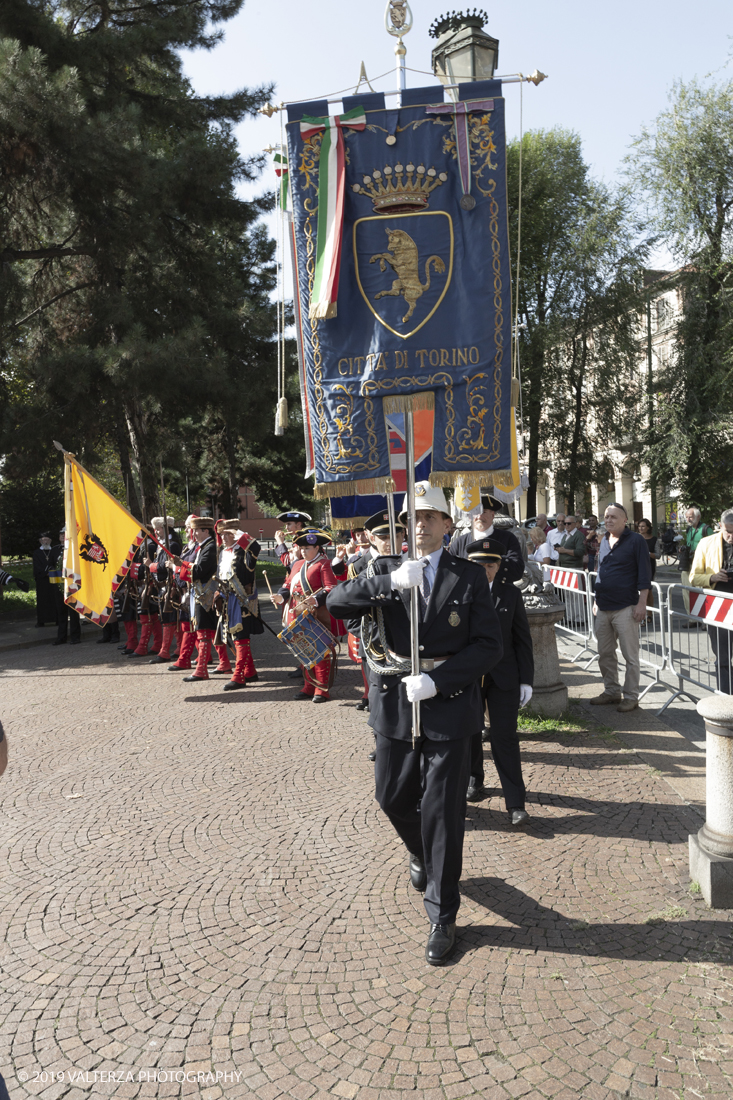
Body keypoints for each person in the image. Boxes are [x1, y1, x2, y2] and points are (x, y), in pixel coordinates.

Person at [326, 482, 503, 965]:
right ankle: (422, 852)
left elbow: (489, 645)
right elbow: (337, 603)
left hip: (447, 705)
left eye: (430, 517)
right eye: (413, 519)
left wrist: (440, 680)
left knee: (443, 812)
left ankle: (442, 915)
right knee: (392, 795)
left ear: (448, 525)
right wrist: (387, 584)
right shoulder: (384, 568)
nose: (420, 525)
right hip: (394, 705)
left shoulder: (468, 577)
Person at [464, 538, 533, 823]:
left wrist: (526, 680)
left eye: (491, 565)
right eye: (479, 565)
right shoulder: (459, 594)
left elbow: (522, 640)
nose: (485, 570)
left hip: (504, 677)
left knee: (505, 738)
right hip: (468, 678)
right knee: (469, 736)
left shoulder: (510, 595)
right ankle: (473, 779)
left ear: (499, 565)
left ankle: (516, 802)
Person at [590, 503, 651, 712]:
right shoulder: (604, 540)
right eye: (606, 516)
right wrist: (596, 601)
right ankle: (611, 691)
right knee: (605, 653)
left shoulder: (636, 540)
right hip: (604, 606)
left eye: (613, 517)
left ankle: (631, 696)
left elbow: (645, 574)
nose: (608, 520)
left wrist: (641, 603)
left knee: (630, 656)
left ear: (625, 520)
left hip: (626, 606)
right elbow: (601, 572)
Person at [272, 529, 339, 703]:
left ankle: (321, 689)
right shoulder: (297, 564)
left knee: (319, 651)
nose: (303, 551)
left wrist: (315, 599)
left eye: (307, 548)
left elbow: (331, 587)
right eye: (301, 548)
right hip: (297, 612)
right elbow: (287, 585)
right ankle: (308, 687)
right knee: (304, 651)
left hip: (316, 612)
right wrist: (281, 596)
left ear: (317, 548)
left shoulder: (324, 563)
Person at [215, 519, 263, 690]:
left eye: (228, 533)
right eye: (222, 534)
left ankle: (239, 676)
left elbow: (256, 547)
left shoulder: (245, 552)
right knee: (234, 637)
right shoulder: (223, 552)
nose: (224, 537)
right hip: (227, 599)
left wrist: (242, 536)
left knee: (241, 638)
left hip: (243, 601)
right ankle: (250, 671)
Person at [170, 517, 218, 681]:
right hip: (200, 595)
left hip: (206, 595)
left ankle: (201, 670)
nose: (193, 533)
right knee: (205, 633)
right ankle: (205, 668)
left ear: (205, 530)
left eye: (196, 530)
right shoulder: (204, 546)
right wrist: (181, 564)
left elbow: (198, 571)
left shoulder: (210, 547)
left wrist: (181, 565)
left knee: (204, 633)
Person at [690, 510, 733, 693]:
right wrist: (713, 577)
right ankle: (726, 696)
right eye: (728, 532)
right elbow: (694, 578)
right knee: (722, 656)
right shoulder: (706, 543)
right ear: (720, 527)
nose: (731, 537)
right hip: (718, 608)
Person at [449, 494, 524, 582]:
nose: (479, 517)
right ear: (470, 517)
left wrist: (493, 561)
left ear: (492, 515)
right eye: (476, 512)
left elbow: (518, 571)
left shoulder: (508, 538)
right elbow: (450, 573)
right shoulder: (459, 542)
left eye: (483, 512)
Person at [145, 517, 181, 663]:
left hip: (169, 586)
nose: (156, 531)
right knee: (169, 619)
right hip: (161, 586)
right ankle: (177, 648)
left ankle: (165, 651)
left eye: (159, 529)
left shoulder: (172, 545)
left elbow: (167, 566)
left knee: (170, 619)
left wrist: (150, 565)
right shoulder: (163, 544)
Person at [167, 516, 199, 672]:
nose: (186, 530)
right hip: (184, 591)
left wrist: (176, 567)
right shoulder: (188, 546)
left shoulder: (198, 547)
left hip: (194, 591)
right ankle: (200, 656)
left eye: (188, 527)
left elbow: (191, 567)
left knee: (195, 627)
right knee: (189, 625)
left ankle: (185, 657)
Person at [52, 527, 81, 646]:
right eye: (61, 534)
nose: (63, 536)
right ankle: (61, 637)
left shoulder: (74, 549)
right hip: (59, 586)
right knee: (61, 614)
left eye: (65, 534)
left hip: (72, 586)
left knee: (73, 613)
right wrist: (57, 586)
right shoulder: (54, 550)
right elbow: (51, 568)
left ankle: (75, 637)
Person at [680, 506, 713, 611]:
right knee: (686, 590)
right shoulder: (689, 529)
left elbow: (713, 547)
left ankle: (704, 618)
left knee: (701, 591)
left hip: (700, 564)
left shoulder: (706, 529)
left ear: (698, 517)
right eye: (686, 517)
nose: (688, 519)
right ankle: (691, 618)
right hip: (688, 563)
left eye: (690, 517)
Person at [32, 532, 58, 627]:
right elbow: (36, 566)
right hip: (42, 579)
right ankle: (41, 621)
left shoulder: (55, 551)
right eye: (43, 540)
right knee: (42, 599)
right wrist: (45, 573)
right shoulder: (37, 553)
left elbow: (57, 563)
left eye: (47, 539)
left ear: (50, 541)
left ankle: (57, 619)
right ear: (40, 541)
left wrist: (52, 572)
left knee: (55, 598)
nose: (45, 541)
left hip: (54, 577)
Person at [637, 518, 659, 613]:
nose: (641, 528)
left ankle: (649, 614)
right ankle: (639, 613)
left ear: (648, 528)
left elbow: (658, 555)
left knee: (648, 591)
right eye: (639, 526)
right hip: (636, 566)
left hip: (649, 567)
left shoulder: (654, 540)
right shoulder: (635, 538)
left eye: (643, 526)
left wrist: (648, 553)